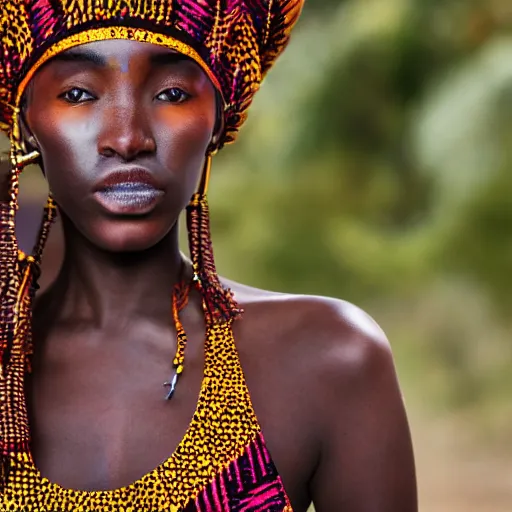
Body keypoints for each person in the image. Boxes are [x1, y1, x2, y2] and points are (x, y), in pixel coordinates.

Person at [0, 1, 417, 511]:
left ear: (219, 120)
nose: (128, 138)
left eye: (172, 94)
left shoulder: (327, 358)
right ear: (25, 125)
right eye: (79, 94)